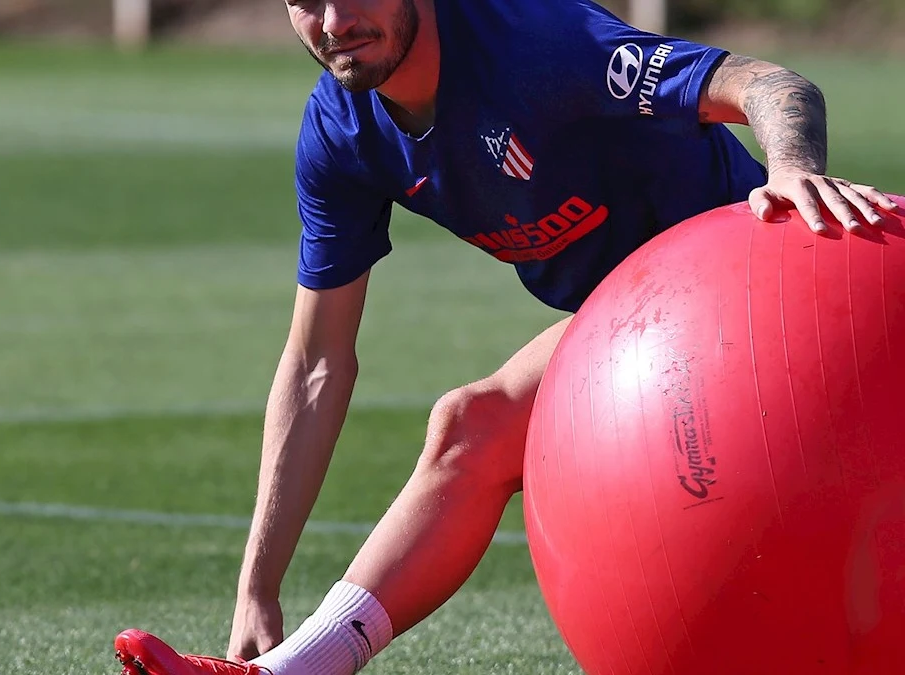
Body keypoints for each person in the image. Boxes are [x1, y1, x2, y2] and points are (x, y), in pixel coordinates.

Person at [115, 0, 899, 673]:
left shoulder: (533, 40)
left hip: (749, 289)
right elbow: (317, 361)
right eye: (304, 0)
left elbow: (770, 83)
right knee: (471, 426)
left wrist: (792, 169)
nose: (332, 22)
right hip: (636, 327)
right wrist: (257, 583)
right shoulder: (341, 132)